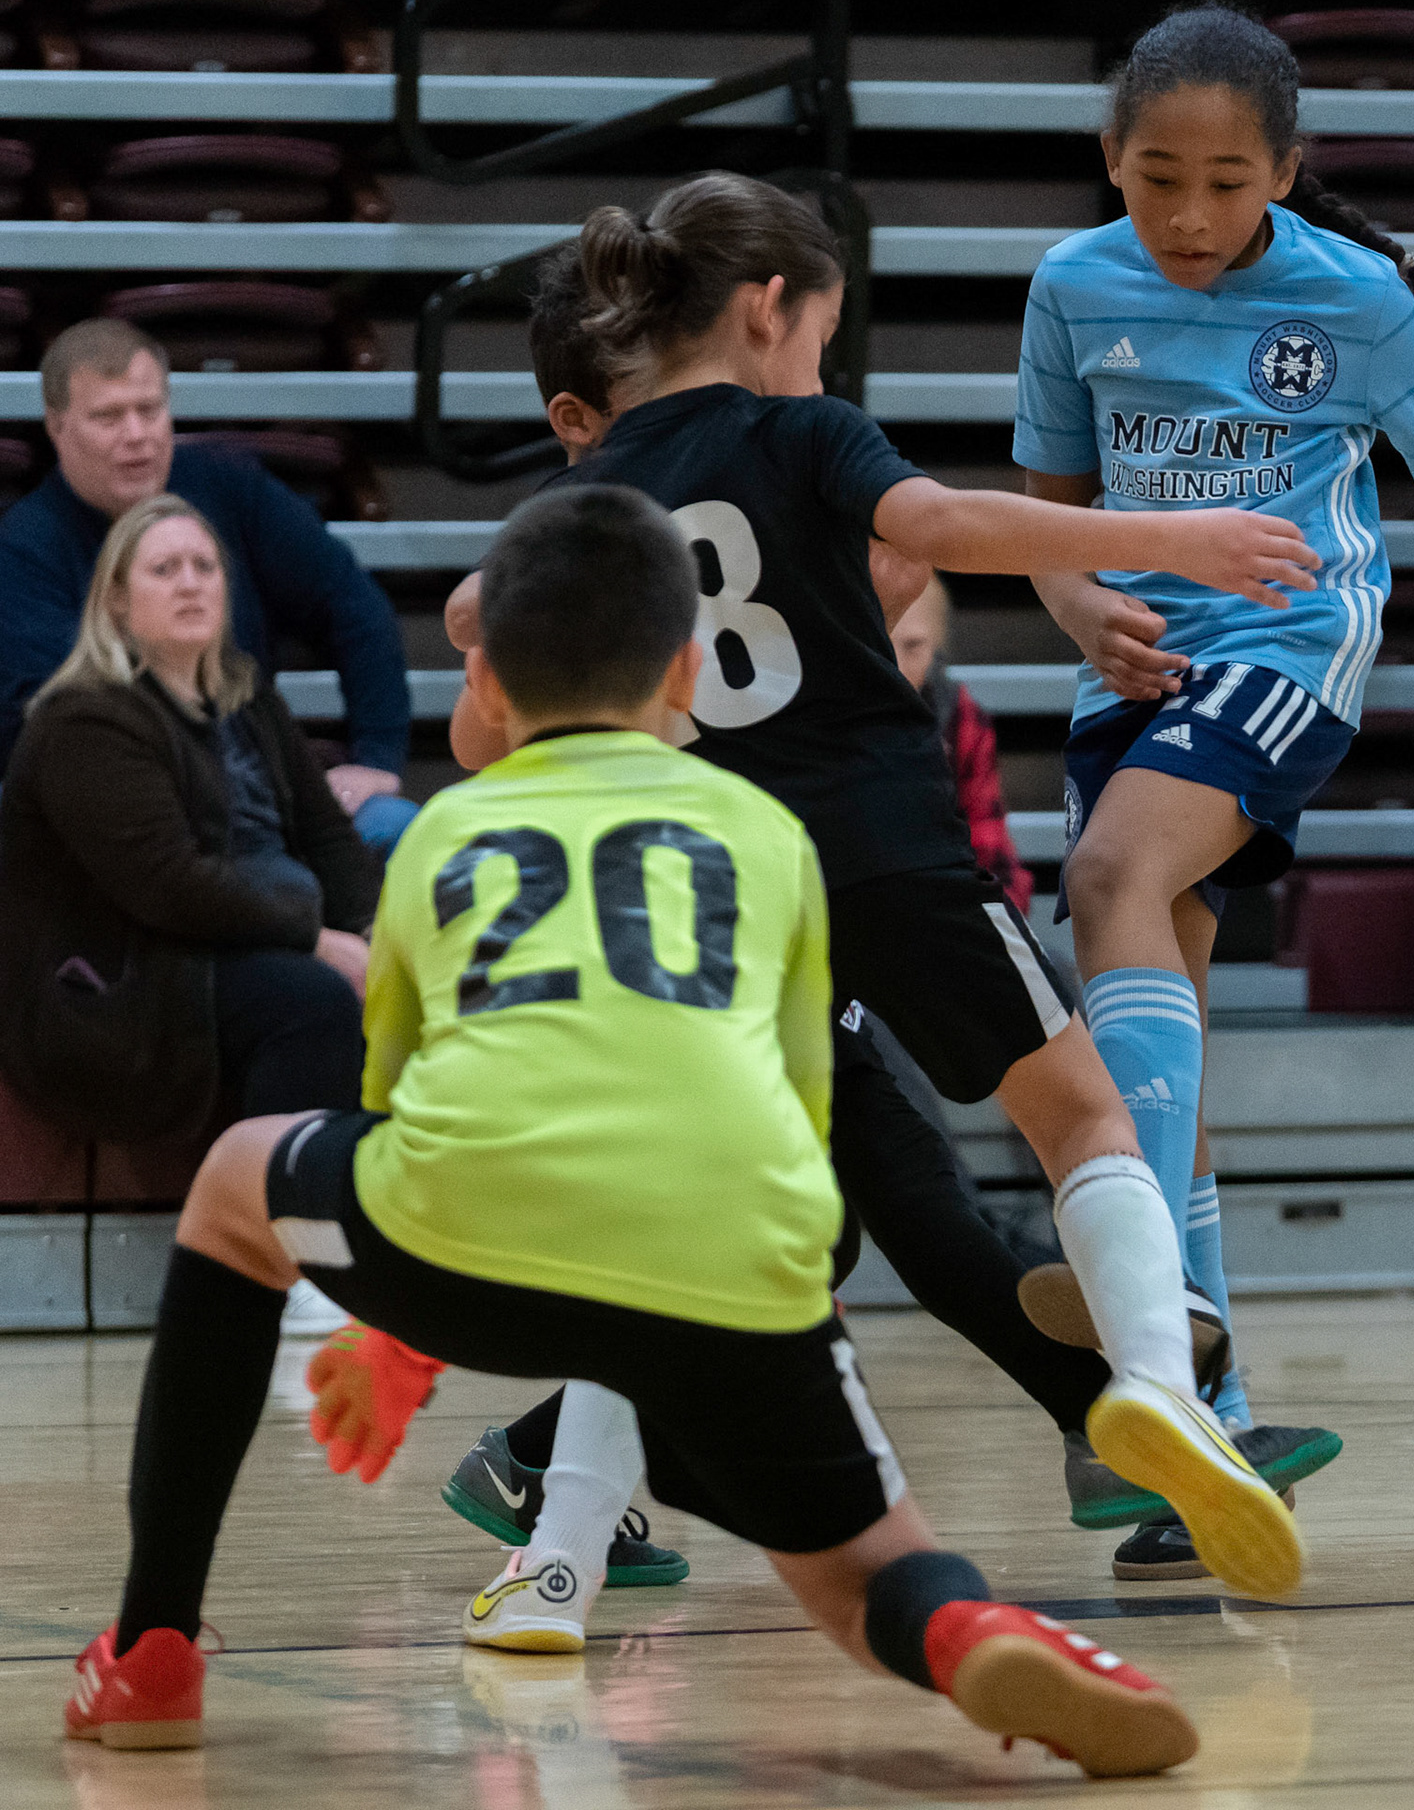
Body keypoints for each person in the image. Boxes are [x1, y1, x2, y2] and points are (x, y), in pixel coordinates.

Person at [63, 487, 1204, 1779]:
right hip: (733, 1262)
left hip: (465, 1245)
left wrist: (390, 1330)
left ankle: (152, 1647)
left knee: (233, 1180)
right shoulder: (768, 837)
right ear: (683, 672)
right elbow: (795, 1110)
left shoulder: (443, 833)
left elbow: (400, 1107)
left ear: (481, 680)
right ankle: (956, 1619)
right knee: (853, 1576)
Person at [433, 205, 1338, 1639]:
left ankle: (553, 1566)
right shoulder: (803, 435)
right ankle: (1165, 1400)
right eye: (822, 336)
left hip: (719, 895)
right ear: (767, 309)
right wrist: (1175, 535)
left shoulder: (597, 495)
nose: (818, 365)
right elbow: (950, 527)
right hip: (880, 849)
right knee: (1081, 1118)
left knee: (666, 1244)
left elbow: (477, 637)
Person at [1014, 5, 1414, 1574]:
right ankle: (1209, 1431)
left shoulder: (1357, 299)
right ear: (1108, 159)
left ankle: (1153, 1340)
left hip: (1288, 647)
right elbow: (1049, 509)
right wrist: (1078, 610)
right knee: (1156, 1047)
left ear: (1288, 176)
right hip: (1129, 671)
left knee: (1108, 884)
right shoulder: (1070, 286)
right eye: (1157, 177)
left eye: (1228, 183)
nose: (1187, 216)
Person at [0, 495, 379, 1150]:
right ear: (116, 601)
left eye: (206, 567)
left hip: (238, 945)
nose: (190, 583)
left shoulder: (249, 699)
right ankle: (276, 1224)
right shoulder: (84, 719)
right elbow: (168, 884)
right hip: (124, 988)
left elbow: (328, 838)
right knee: (310, 1001)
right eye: (165, 569)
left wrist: (375, 934)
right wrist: (315, 941)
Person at [0, 318, 417, 854]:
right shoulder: (21, 551)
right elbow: (81, 720)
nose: (136, 434)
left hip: (250, 788)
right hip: (101, 814)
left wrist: (377, 758)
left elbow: (352, 605)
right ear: (57, 427)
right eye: (108, 416)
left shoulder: (231, 489)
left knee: (400, 827)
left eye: (149, 409)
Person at [892, 575, 1034, 915]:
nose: (895, 666)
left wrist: (995, 930)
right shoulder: (825, 719)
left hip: (943, 910)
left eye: (913, 646)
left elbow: (991, 849)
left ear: (937, 646)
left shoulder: (960, 715)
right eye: (877, 642)